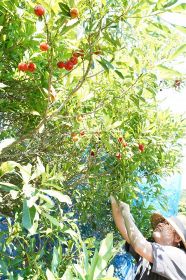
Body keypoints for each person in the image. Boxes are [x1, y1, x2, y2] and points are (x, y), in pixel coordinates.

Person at [110, 195, 186, 280]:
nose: (160, 224)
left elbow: (139, 245)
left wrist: (127, 214)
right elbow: (125, 231)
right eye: (162, 222)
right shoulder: (151, 252)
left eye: (167, 224)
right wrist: (113, 198)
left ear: (178, 238)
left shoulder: (180, 257)